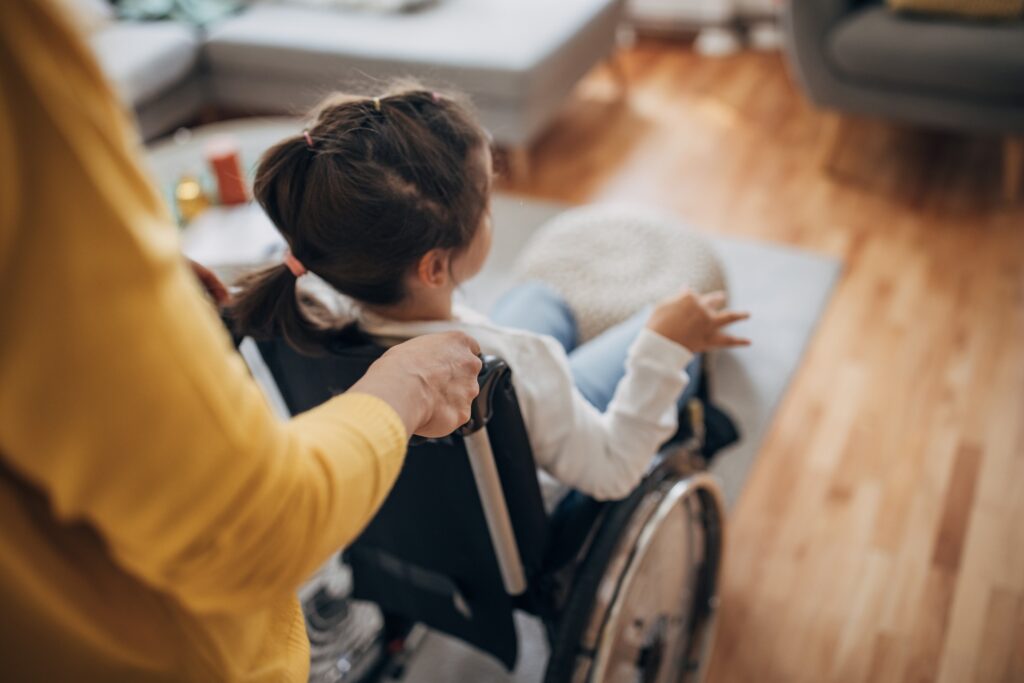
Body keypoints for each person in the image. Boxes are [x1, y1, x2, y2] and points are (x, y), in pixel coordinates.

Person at [0, 2, 483, 680]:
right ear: (437, 262)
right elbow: (250, 529)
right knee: (542, 306)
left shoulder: (296, 316)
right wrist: (410, 385)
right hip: (182, 657)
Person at [230, 86, 751, 504]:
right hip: (541, 462)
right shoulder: (521, 365)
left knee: (539, 300)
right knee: (657, 325)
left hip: (454, 479)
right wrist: (663, 348)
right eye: (484, 204)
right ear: (434, 267)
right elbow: (611, 469)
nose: (490, 214)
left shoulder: (304, 314)